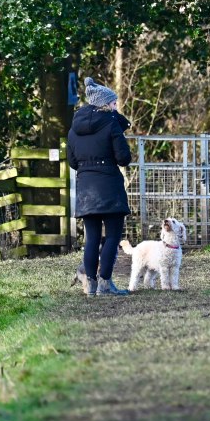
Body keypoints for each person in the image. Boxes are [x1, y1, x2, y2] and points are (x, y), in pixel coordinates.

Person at [67, 77, 133, 297]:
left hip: (86, 189)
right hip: (109, 188)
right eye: (114, 103)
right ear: (106, 104)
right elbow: (124, 158)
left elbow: (72, 161)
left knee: (91, 238)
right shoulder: (111, 123)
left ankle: (90, 286)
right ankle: (105, 284)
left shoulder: (75, 127)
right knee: (113, 236)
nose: (116, 106)